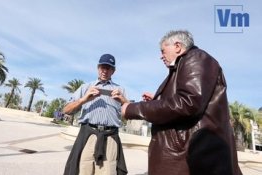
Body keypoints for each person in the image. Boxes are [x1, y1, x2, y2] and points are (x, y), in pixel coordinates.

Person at [121, 30, 242, 175]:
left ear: (177, 46)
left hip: (188, 158)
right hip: (185, 156)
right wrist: (158, 100)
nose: (161, 56)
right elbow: (188, 101)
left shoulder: (196, 58)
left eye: (163, 50)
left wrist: (133, 109)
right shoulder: (186, 64)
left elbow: (188, 102)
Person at [63, 54, 128, 175]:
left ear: (113, 71)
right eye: (102, 67)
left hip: (110, 138)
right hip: (88, 136)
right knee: (83, 170)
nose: (105, 71)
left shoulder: (120, 90)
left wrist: (124, 101)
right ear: (98, 68)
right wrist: (84, 99)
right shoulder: (85, 87)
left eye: (108, 68)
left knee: (108, 171)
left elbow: (129, 116)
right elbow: (66, 110)